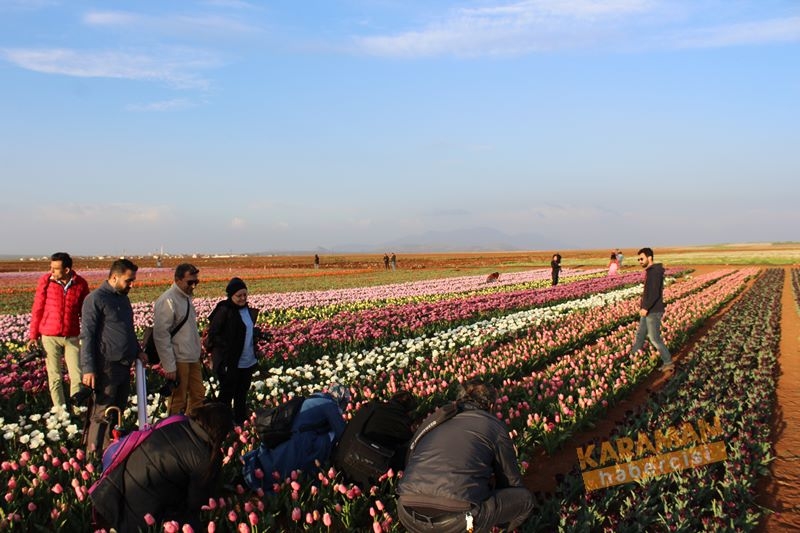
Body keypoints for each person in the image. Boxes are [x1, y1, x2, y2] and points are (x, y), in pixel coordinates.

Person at [397, 379, 534, 533]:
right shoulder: (493, 426)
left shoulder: (438, 418)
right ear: (490, 405)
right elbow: (510, 481)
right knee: (525, 500)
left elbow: (410, 458)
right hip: (458, 520)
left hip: (407, 512)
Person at [90, 402, 234, 533]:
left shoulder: (176, 422)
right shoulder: (204, 457)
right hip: (140, 518)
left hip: (114, 494)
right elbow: (197, 503)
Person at [80, 259, 147, 455]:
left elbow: (127, 330)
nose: (132, 285)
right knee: (102, 413)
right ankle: (94, 457)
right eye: (128, 280)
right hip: (106, 365)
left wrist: (138, 351)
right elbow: (88, 335)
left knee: (118, 410)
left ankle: (110, 452)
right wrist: (88, 368)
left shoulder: (123, 299)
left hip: (125, 364)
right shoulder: (96, 299)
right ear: (115, 277)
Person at [242, 385, 350, 489]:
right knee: (326, 439)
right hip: (298, 439)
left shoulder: (315, 397)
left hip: (283, 433)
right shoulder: (329, 404)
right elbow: (342, 433)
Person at [28, 252, 90, 409]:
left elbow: (86, 312)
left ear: (67, 270)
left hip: (72, 336)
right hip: (49, 336)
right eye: (51, 267)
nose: (52, 271)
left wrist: (91, 333)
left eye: (56, 269)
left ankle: (77, 409)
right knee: (54, 377)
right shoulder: (46, 282)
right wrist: (33, 336)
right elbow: (38, 309)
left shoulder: (80, 284)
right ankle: (60, 412)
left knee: (76, 375)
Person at [332, 390, 417, 487]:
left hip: (339, 463)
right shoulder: (403, 421)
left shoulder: (369, 407)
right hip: (368, 479)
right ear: (409, 411)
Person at [206, 277, 262, 425]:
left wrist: (256, 333)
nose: (243, 298)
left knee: (241, 394)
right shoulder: (224, 309)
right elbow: (213, 334)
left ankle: (239, 422)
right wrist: (226, 346)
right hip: (229, 361)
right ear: (231, 295)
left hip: (247, 360)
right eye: (239, 295)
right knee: (226, 395)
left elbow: (245, 330)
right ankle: (220, 426)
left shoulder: (247, 310)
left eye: (245, 295)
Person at [153, 263, 204, 416]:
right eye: (190, 282)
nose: (193, 286)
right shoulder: (168, 300)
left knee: (198, 395)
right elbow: (161, 335)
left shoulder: (186, 298)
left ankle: (192, 428)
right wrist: (169, 366)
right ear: (177, 280)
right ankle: (173, 431)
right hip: (178, 358)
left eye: (196, 282)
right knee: (178, 400)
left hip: (191, 356)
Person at [629, 247, 673, 371]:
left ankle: (668, 362)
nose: (640, 261)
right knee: (640, 336)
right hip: (647, 310)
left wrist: (646, 308)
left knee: (654, 338)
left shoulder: (654, 272)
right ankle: (632, 360)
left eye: (642, 258)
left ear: (650, 258)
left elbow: (654, 293)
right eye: (638, 259)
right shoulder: (651, 271)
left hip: (653, 311)